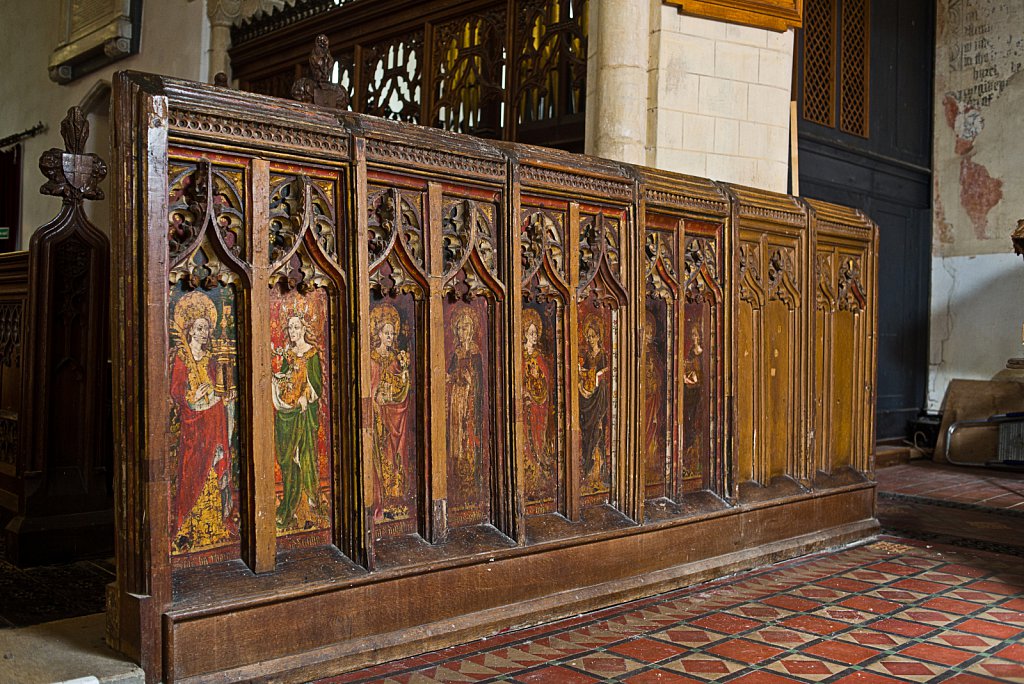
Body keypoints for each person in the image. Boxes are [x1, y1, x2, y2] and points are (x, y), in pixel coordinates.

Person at [169, 291, 236, 552]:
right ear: (190, 330)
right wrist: (192, 395)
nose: (205, 333)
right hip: (193, 423)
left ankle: (215, 523)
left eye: (207, 328)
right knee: (191, 470)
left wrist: (226, 397)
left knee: (212, 467)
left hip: (212, 420)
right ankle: (188, 525)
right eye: (200, 328)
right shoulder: (182, 357)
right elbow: (176, 390)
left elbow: (219, 386)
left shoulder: (210, 359)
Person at [272, 306, 325, 530]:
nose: (292, 331)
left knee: (304, 456)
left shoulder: (312, 354)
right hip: (290, 413)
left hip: (304, 415)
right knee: (289, 459)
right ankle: (292, 504)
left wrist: (306, 395)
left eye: (296, 327)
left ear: (303, 329)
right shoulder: (289, 354)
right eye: (290, 328)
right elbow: (287, 378)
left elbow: (317, 385)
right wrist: (280, 379)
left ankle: (308, 505)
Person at [368, 303, 412, 522]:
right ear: (378, 334)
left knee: (394, 457)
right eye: (386, 333)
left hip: (394, 415)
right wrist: (377, 399)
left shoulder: (396, 359)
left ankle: (394, 500)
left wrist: (403, 375)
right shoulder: (372, 359)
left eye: (392, 334)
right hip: (378, 419)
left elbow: (400, 388)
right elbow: (371, 390)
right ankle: (380, 502)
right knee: (380, 457)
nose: (390, 337)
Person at [447, 306, 485, 501]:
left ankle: (471, 477)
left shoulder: (476, 353)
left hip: (470, 400)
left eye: (466, 328)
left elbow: (479, 381)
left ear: (472, 330)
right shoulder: (457, 353)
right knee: (457, 436)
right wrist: (452, 378)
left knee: (469, 436)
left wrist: (470, 381)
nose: (463, 332)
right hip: (457, 400)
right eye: (460, 328)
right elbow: (450, 374)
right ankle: (457, 478)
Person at [522, 307, 552, 501]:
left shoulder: (539, 357)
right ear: (524, 333)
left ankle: (538, 469)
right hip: (525, 408)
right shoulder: (520, 357)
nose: (534, 336)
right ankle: (527, 472)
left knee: (538, 438)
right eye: (531, 333)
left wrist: (538, 378)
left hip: (538, 406)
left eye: (535, 333)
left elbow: (546, 381)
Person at [579, 313, 609, 491]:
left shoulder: (602, 354)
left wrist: (598, 374)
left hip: (599, 397)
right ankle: (587, 470)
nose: (590, 340)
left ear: (598, 337)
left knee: (598, 432)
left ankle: (598, 471)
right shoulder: (587, 354)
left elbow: (606, 371)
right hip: (588, 397)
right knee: (587, 433)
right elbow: (584, 371)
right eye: (588, 336)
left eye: (593, 336)